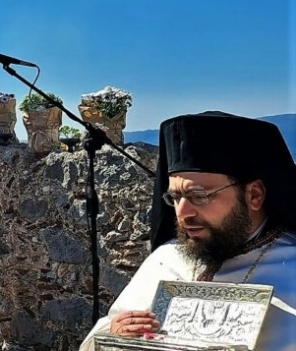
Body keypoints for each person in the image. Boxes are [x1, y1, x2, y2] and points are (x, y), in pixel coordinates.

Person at [79, 111, 296, 350]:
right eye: (175, 197)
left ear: (254, 195)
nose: (183, 213)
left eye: (199, 196)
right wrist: (114, 336)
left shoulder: (291, 268)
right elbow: (97, 340)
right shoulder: (166, 258)